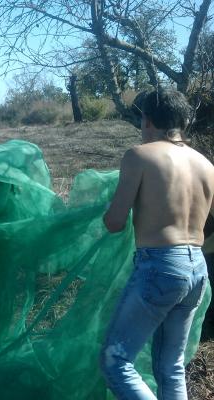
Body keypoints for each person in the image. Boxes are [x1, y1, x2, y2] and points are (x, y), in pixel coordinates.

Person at [100, 88, 214, 399]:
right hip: (197, 270)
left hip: (159, 267)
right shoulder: (206, 166)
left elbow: (115, 222)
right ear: (183, 122)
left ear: (147, 120)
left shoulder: (139, 155)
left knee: (116, 361)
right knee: (171, 366)